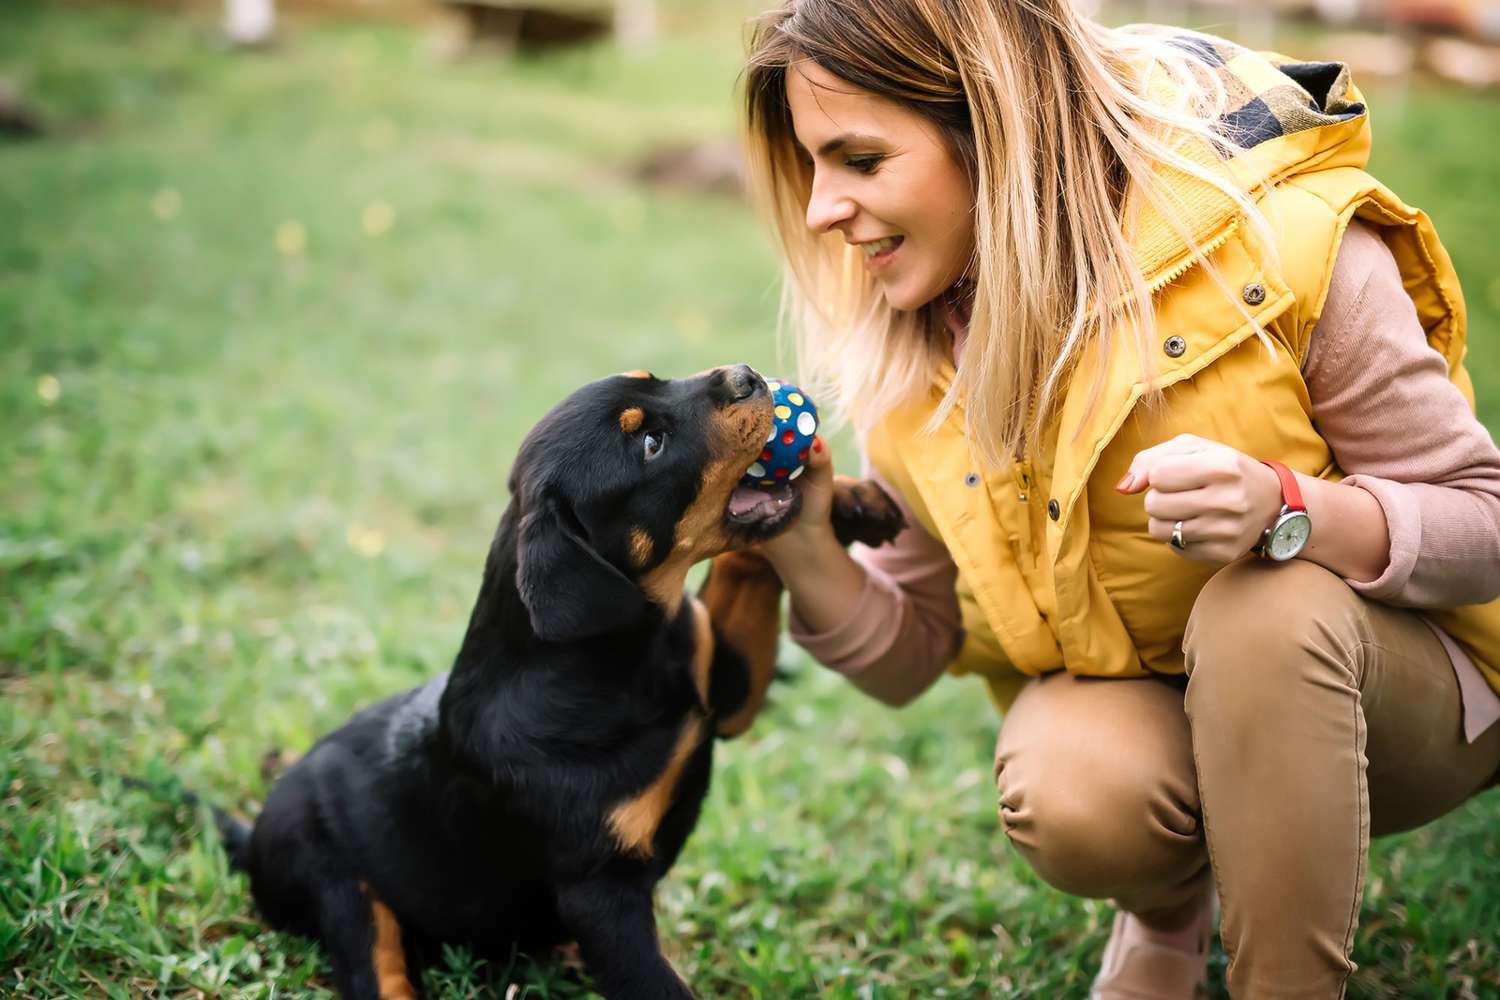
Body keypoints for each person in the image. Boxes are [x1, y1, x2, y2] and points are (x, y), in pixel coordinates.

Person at [740, 1, 1500, 997]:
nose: (821, 211)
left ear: (995, 127)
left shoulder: (1285, 248)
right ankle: (1168, 910)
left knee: (1264, 603)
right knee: (1076, 789)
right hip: (1162, 702)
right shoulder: (921, 341)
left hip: (1410, 695)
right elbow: (913, 643)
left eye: (861, 161)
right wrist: (802, 541)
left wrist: (1288, 507)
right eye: (814, 167)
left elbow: (1482, 521)